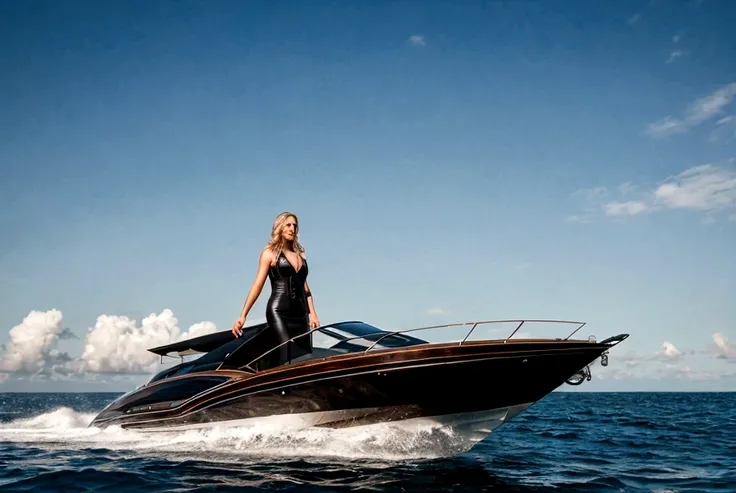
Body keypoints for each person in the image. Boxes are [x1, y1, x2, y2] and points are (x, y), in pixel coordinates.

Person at [231, 211, 320, 366]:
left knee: (304, 357)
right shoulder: (269, 253)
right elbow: (257, 285)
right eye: (288, 225)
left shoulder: (301, 255)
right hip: (279, 312)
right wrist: (243, 315)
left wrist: (313, 314)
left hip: (301, 314)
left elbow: (306, 289)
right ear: (280, 228)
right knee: (287, 354)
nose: (292, 228)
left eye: (295, 225)